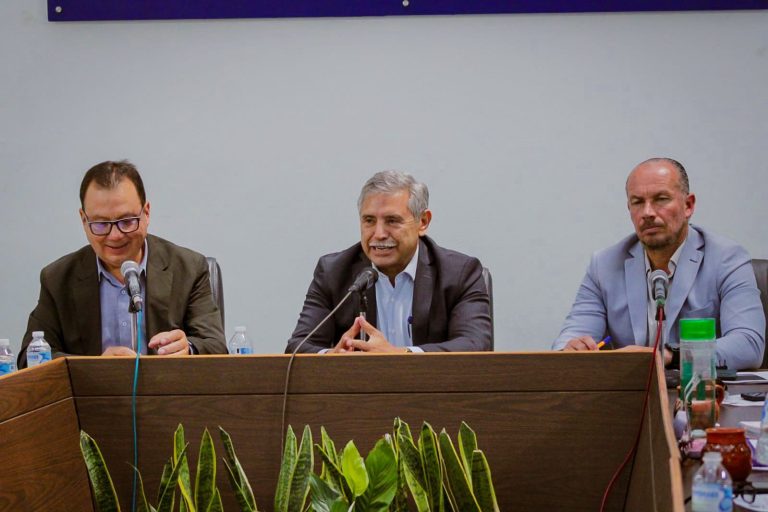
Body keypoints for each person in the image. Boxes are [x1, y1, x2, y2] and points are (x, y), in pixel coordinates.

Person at [553, 158, 765, 370]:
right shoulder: (604, 265)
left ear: (688, 205)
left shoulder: (727, 259)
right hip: (632, 390)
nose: (647, 212)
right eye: (637, 202)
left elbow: (748, 344)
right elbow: (569, 340)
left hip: (700, 387)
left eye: (661, 199)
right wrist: (571, 349)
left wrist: (670, 355)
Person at [18, 160, 226, 366]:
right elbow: (29, 357)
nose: (115, 236)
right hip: (92, 389)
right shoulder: (57, 279)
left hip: (167, 388)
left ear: (146, 213)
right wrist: (93, 367)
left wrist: (188, 349)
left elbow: (216, 345)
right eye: (100, 224)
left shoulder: (188, 268)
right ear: (84, 220)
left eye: (126, 221)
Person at [286, 170, 492, 354]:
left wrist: (401, 355)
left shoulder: (459, 273)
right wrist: (333, 357)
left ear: (423, 222)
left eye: (392, 221)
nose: (379, 234)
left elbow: (475, 344)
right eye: (369, 221)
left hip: (431, 385)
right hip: (360, 386)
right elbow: (298, 346)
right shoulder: (334, 272)